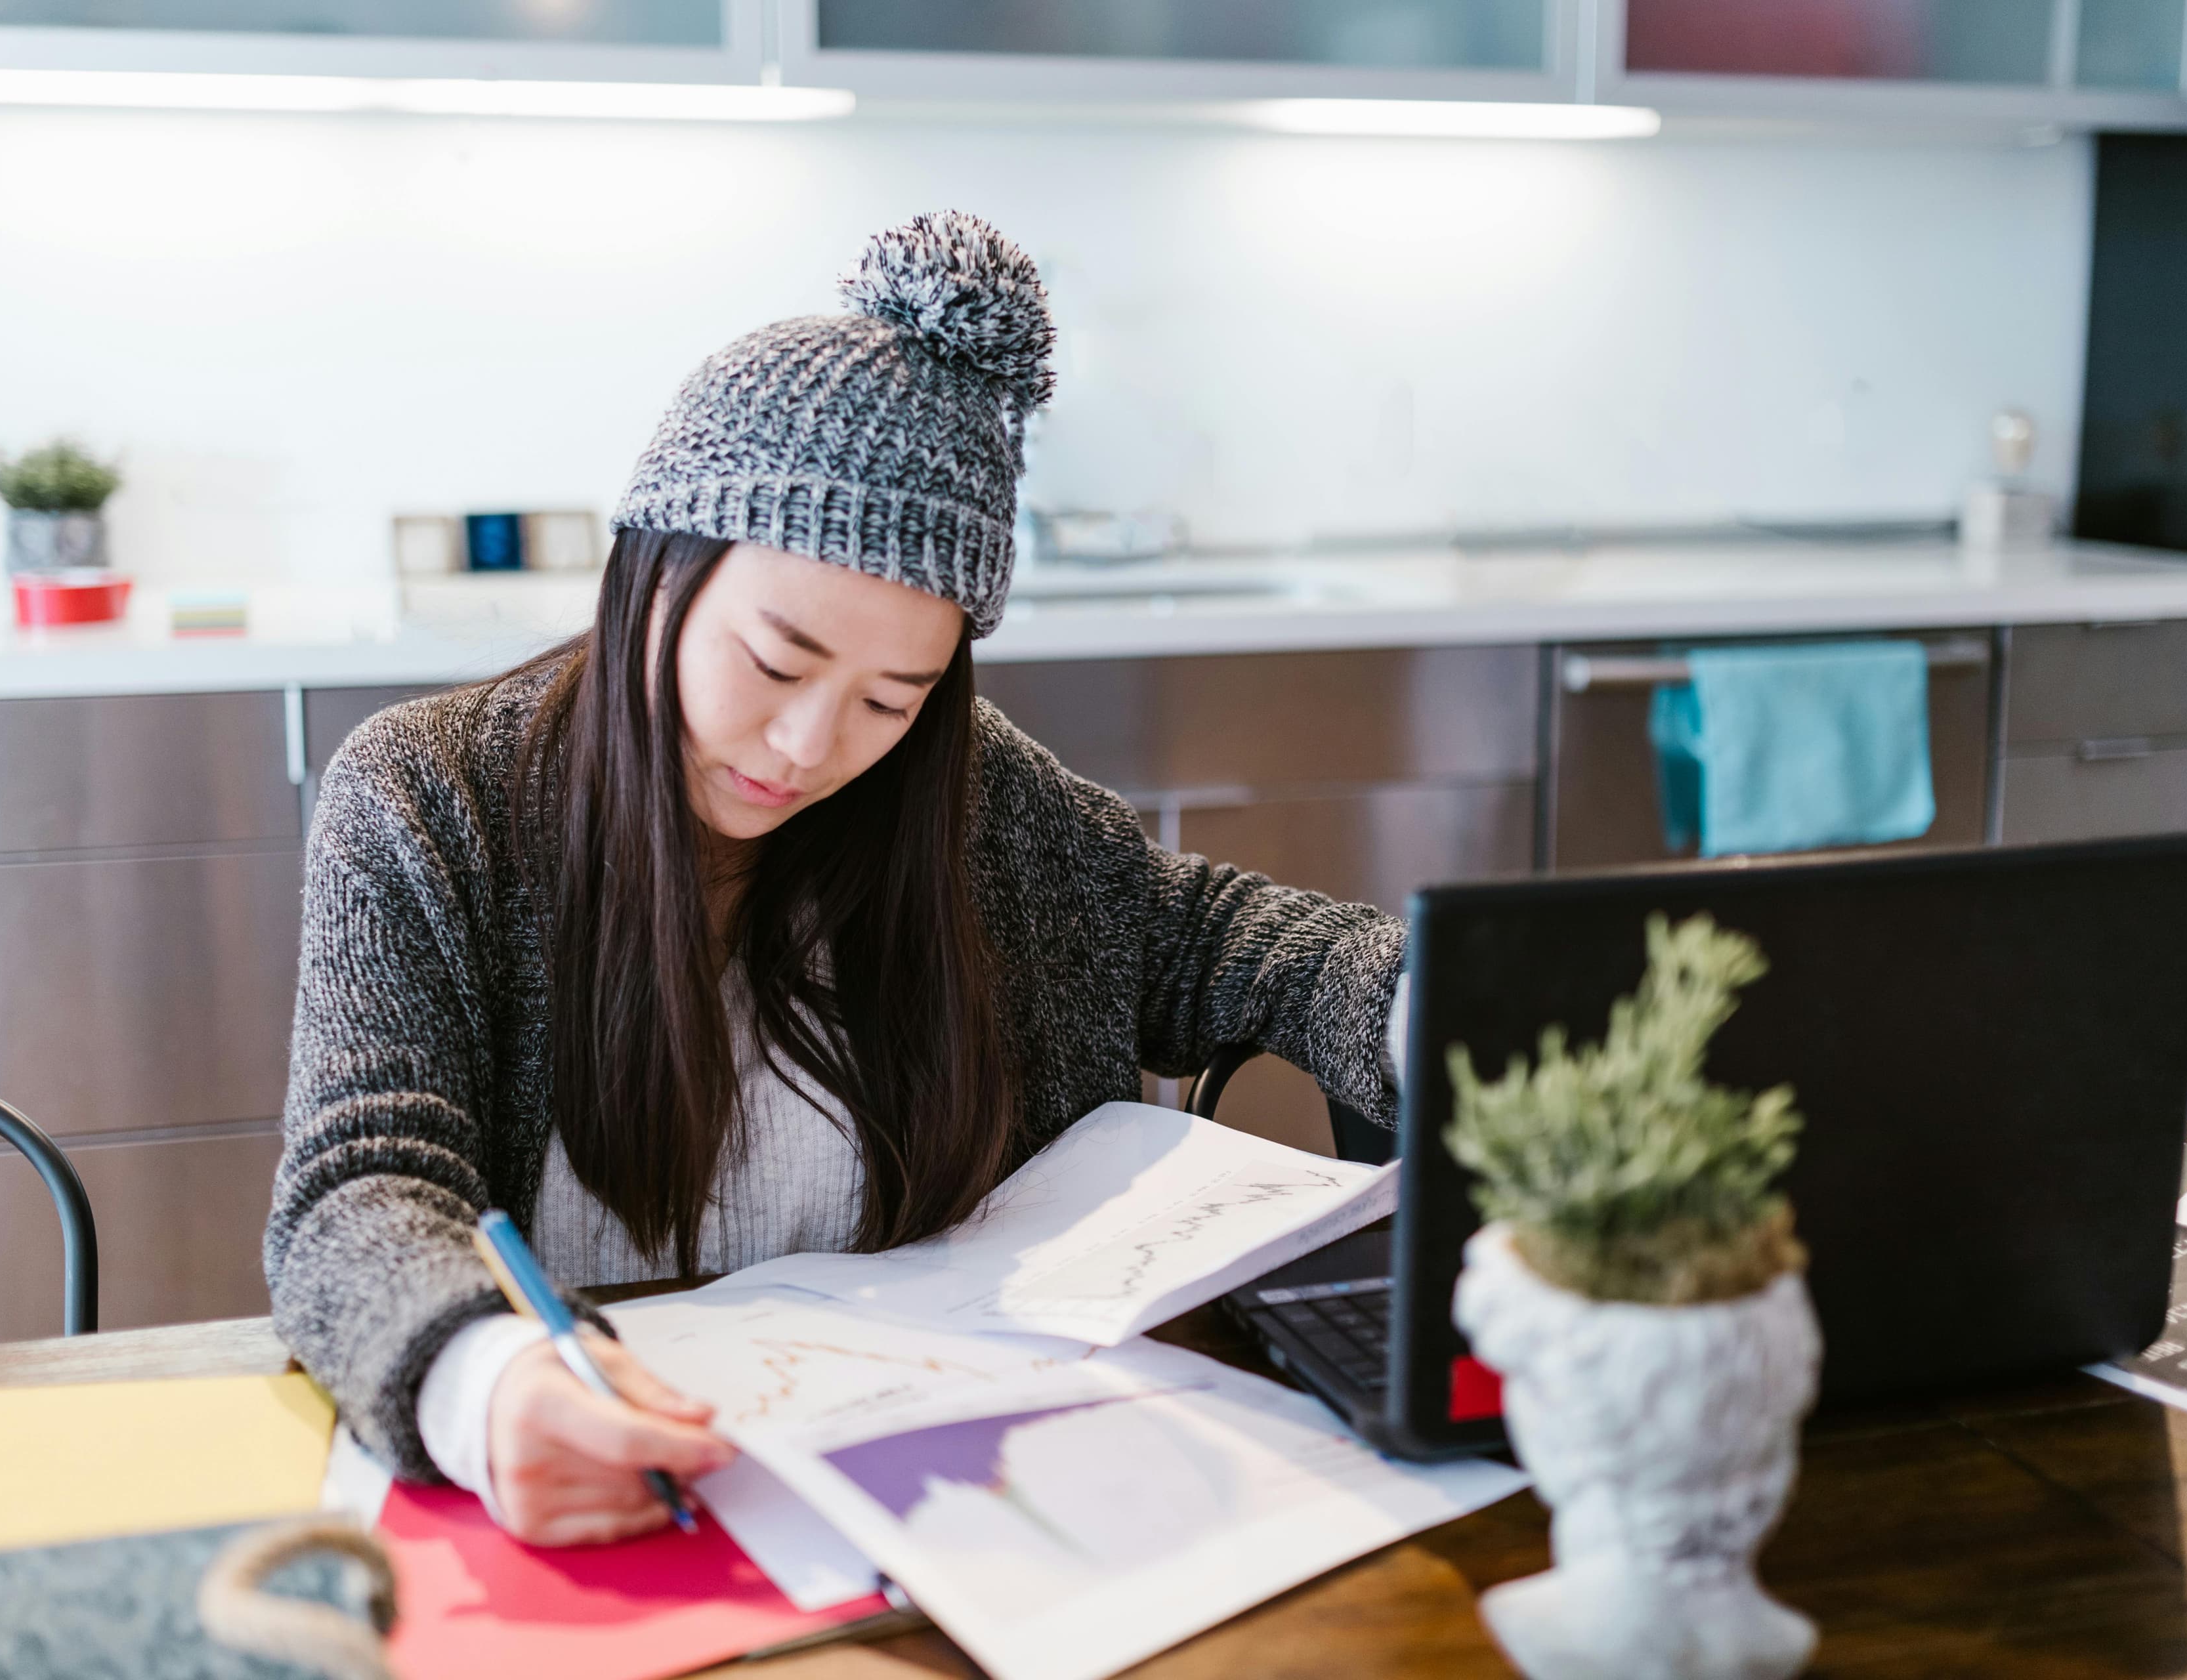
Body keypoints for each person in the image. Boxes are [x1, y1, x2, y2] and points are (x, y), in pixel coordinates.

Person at [265, 211, 1407, 1547]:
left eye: (890, 697)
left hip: (949, 1501)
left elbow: (1224, 939)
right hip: (597, 1501)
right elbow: (355, 1194)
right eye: (776, 659)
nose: (812, 748)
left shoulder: (965, 797)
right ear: (658, 577)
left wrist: (1436, 1005)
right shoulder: (426, 798)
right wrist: (483, 1378)